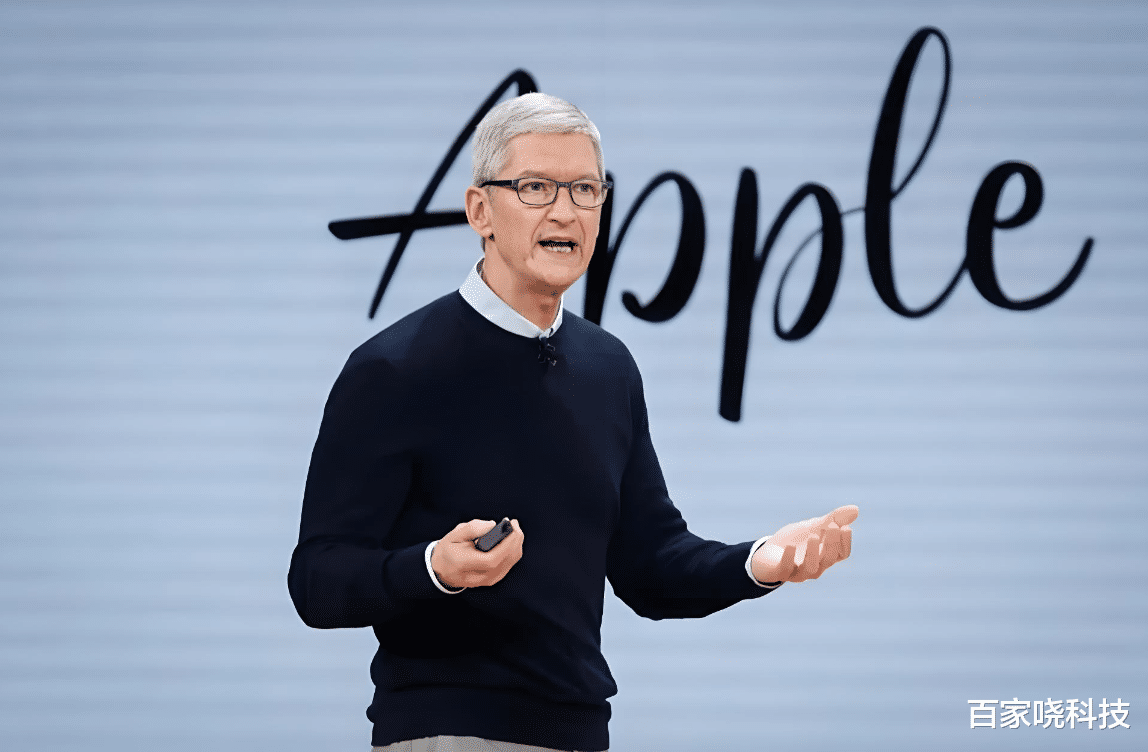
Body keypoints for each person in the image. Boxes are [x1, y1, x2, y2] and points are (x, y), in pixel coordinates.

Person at [288, 92, 857, 752]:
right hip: (449, 731)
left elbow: (651, 567)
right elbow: (317, 581)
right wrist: (433, 568)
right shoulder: (394, 368)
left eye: (585, 189)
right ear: (480, 210)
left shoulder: (608, 367)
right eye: (535, 187)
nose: (565, 211)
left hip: (582, 733)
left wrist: (760, 561)